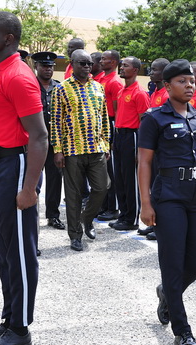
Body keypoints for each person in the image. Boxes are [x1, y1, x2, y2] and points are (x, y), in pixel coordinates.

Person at [0, 11, 48, 345]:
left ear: (8, 39)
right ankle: (9, 317)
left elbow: (39, 136)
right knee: (3, 250)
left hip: (15, 167)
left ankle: (21, 328)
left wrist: (29, 188)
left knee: (19, 251)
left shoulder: (18, 76)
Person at [138, 59, 196, 345]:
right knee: (172, 262)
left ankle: (168, 293)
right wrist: (146, 203)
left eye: (192, 81)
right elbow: (143, 162)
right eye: (182, 81)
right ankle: (182, 330)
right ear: (167, 86)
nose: (189, 85)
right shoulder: (154, 118)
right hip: (168, 195)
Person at [50, 49, 111, 252]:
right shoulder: (62, 89)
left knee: (103, 186)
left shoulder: (98, 88)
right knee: (73, 194)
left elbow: (104, 118)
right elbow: (56, 122)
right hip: (72, 150)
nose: (86, 67)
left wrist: (107, 143)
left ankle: (87, 218)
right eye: (81, 63)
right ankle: (75, 235)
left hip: (96, 148)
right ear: (72, 64)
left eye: (88, 64)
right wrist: (57, 149)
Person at [111, 56, 150, 231]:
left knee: (130, 179)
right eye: (121, 65)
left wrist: (140, 149)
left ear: (135, 70)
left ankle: (132, 218)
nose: (121, 68)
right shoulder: (121, 91)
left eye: (125, 66)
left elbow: (144, 123)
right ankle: (124, 213)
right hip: (120, 135)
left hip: (132, 136)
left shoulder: (139, 93)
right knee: (119, 176)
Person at [31, 51, 64, 231]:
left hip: (54, 142)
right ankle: (30, 216)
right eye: (44, 66)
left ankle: (53, 215)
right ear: (36, 66)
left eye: (50, 66)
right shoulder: (29, 86)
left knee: (55, 180)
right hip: (34, 142)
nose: (48, 69)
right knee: (32, 180)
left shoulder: (59, 87)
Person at [138, 57, 170, 240]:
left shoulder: (166, 94)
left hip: (162, 148)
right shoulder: (156, 92)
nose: (151, 72)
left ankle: (160, 226)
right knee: (153, 186)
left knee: (160, 187)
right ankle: (154, 223)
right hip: (153, 147)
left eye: (155, 70)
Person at [95, 50, 123, 223]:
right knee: (102, 168)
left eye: (105, 59)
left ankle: (113, 207)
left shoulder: (114, 82)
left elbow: (117, 109)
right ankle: (104, 204)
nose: (101, 61)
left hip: (111, 123)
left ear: (113, 62)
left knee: (111, 169)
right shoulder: (102, 79)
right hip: (101, 122)